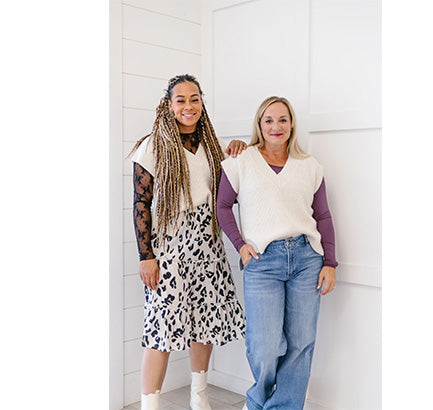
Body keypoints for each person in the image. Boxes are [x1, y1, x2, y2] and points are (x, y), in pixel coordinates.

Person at [130, 74, 247, 410]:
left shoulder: (212, 147)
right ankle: (149, 405)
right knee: (160, 329)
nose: (188, 106)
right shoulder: (152, 146)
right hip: (168, 247)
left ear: (201, 102)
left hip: (207, 246)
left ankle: (199, 397)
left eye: (194, 99)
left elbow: (229, 191)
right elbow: (140, 203)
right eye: (180, 99)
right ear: (168, 105)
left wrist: (236, 150)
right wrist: (145, 255)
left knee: (204, 322)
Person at [216, 96, 338, 409]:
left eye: (283, 120)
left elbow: (322, 216)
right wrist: (240, 244)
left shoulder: (309, 166)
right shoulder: (241, 161)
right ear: (259, 124)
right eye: (268, 120)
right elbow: (223, 206)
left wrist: (330, 262)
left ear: (292, 124)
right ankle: (257, 401)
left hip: (306, 259)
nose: (276, 126)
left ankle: (284, 406)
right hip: (262, 260)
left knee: (300, 343)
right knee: (263, 345)